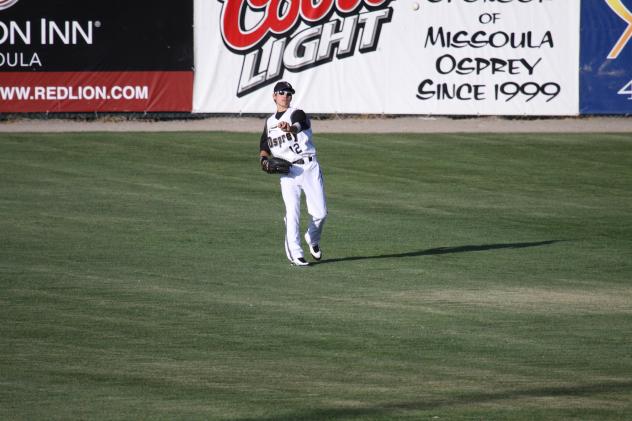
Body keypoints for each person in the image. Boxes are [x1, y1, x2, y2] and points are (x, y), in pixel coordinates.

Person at [259, 81, 327, 266]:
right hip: (288, 172)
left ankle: (312, 238)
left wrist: (291, 128)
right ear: (274, 96)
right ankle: (296, 254)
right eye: (282, 93)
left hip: (309, 168)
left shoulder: (296, 113)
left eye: (289, 93)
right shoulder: (270, 122)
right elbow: (264, 146)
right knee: (292, 213)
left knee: (320, 213)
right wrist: (263, 160)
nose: (286, 96)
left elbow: (301, 123)